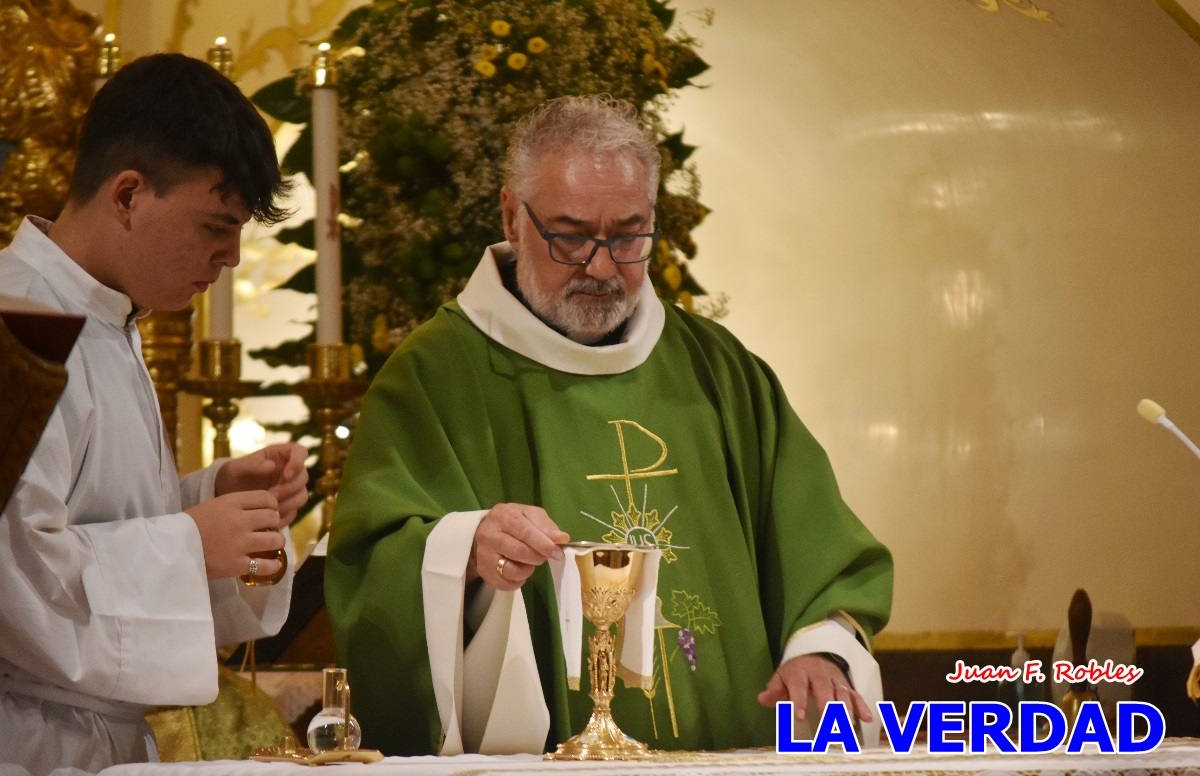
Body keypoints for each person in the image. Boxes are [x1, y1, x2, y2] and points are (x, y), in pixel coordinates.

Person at [326, 95, 893, 756]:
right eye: (570, 235)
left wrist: (820, 651)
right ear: (513, 215)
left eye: (627, 236)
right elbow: (370, 576)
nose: (600, 266)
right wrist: (464, 554)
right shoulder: (434, 375)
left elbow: (823, 554)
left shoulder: (719, 371)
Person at [0, 53, 307, 774]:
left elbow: (91, 518)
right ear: (129, 194)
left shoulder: (108, 321)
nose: (232, 256)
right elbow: (15, 567)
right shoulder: (18, 323)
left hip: (96, 737)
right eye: (215, 226)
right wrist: (190, 543)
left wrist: (210, 499)